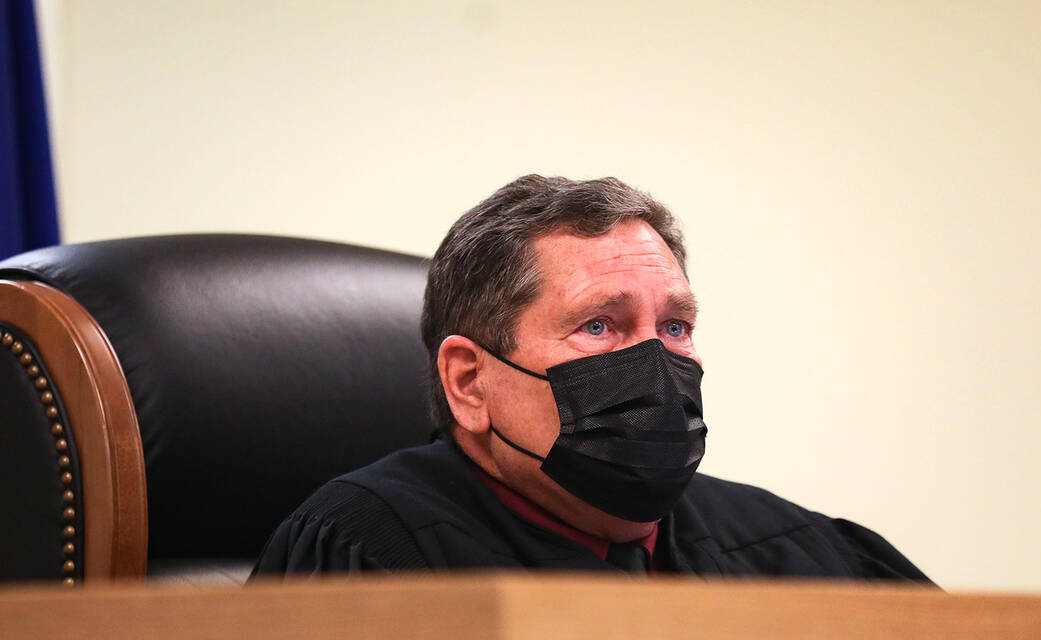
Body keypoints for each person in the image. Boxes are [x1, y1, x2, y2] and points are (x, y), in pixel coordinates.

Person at [252, 175, 928, 581]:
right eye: (599, 326)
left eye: (674, 327)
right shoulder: (370, 554)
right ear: (469, 382)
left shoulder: (797, 553)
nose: (656, 363)